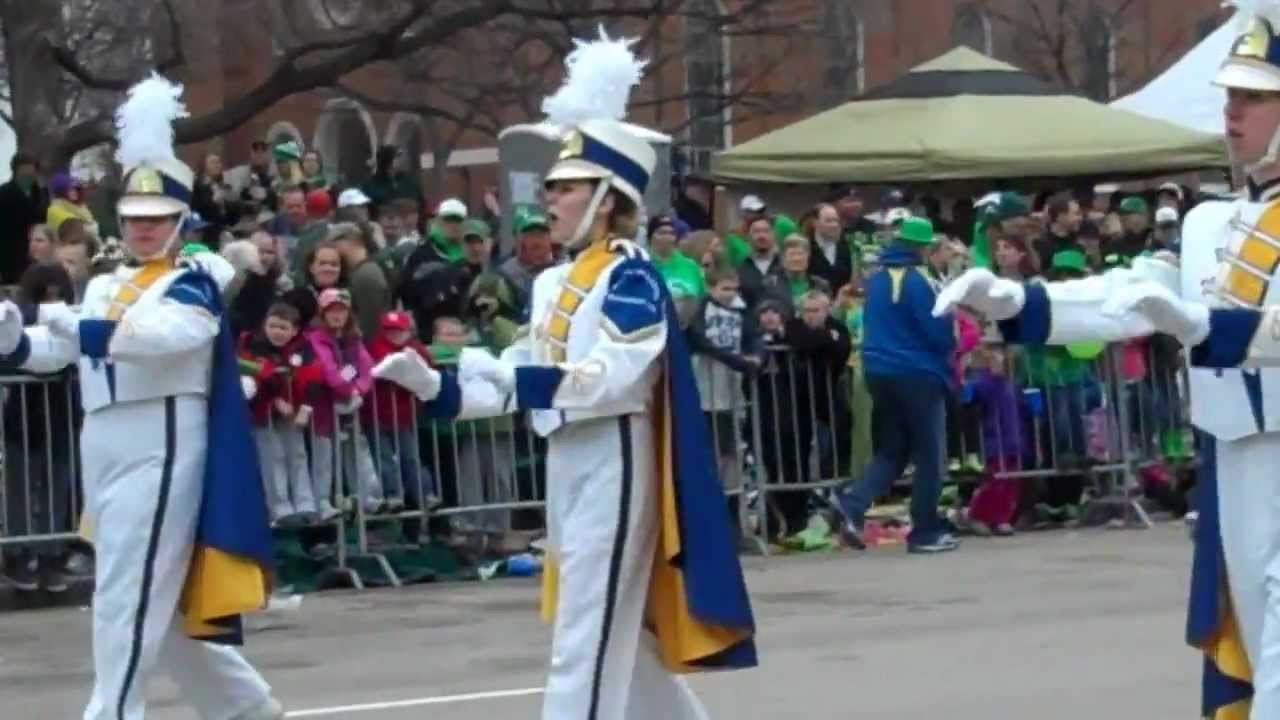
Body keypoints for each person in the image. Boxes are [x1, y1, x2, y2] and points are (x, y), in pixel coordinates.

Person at [370, 29, 755, 719]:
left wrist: (525, 383)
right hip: (567, 456)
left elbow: (613, 375)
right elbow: (523, 366)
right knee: (613, 637)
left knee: (584, 637)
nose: (549, 197)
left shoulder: (633, 273)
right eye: (551, 185)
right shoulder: (551, 283)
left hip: (614, 451)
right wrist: (440, 386)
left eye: (566, 186)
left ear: (608, 197)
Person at [934, 6, 1280, 713]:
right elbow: (1127, 296)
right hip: (1237, 467)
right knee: (1253, 650)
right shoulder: (1209, 220)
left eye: (1253, 96)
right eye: (1229, 94)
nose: (1231, 110)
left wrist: (1210, 327)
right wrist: (1018, 304)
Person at [0, 75, 281, 720]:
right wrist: (16, 339)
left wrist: (88, 331)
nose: (144, 229)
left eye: (157, 219)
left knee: (124, 594)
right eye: (134, 218)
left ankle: (111, 713)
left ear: (181, 220)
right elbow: (59, 353)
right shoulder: (103, 284)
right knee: (158, 593)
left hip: (162, 443)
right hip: (104, 444)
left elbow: (172, 335)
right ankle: (245, 707)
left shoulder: (196, 277)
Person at [835, 216, 959, 554]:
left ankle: (853, 502)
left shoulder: (876, 280)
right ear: (922, 247)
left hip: (877, 370)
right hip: (917, 372)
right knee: (931, 455)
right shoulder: (920, 281)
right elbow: (938, 332)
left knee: (893, 449)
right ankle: (924, 531)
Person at [238, 302, 323, 523]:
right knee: (273, 457)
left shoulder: (302, 349)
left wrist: (305, 407)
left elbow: (313, 377)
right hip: (263, 414)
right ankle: (280, 507)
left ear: (294, 331)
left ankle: (305, 504)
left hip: (293, 412)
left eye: (283, 328)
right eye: (273, 326)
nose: (277, 332)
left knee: (297, 455)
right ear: (264, 324)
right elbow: (251, 374)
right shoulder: (250, 344)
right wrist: (274, 398)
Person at [306, 287, 382, 515]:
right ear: (322, 313)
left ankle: (368, 496)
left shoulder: (354, 340)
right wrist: (347, 391)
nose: (337, 315)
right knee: (324, 456)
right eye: (331, 311)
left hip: (351, 407)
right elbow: (328, 371)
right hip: (323, 407)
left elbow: (367, 368)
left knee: (358, 451)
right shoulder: (315, 340)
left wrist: (358, 391)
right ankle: (322, 501)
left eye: (342, 310)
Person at [0, 153, 51, 284]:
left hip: (37, 252)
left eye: (31, 169)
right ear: (16, 170)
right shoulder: (4, 193)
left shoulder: (41, 194)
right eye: (24, 169)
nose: (28, 173)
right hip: (11, 254)